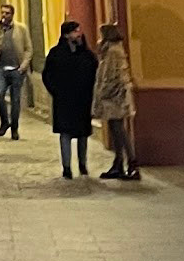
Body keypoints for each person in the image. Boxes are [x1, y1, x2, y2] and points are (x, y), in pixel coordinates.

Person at [40, 20, 99, 179]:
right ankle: (66, 167)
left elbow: (94, 72)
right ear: (66, 34)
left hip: (82, 99)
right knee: (65, 133)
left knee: (82, 134)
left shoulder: (87, 54)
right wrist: (56, 91)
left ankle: (83, 164)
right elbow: (47, 75)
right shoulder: (56, 53)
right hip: (64, 100)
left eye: (79, 31)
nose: (78, 34)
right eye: (75, 31)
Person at [92, 22, 141, 181]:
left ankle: (132, 163)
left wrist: (102, 94)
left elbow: (111, 76)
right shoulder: (110, 50)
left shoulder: (113, 51)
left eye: (101, 35)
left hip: (115, 96)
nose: (99, 39)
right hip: (114, 96)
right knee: (115, 129)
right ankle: (118, 164)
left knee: (119, 130)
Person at [0, 5, 33, 138]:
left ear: (12, 14)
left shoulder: (21, 29)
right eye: (2, 12)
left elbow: (28, 48)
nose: (4, 15)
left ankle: (14, 127)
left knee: (16, 100)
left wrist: (24, 65)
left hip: (17, 69)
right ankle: (4, 122)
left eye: (7, 13)